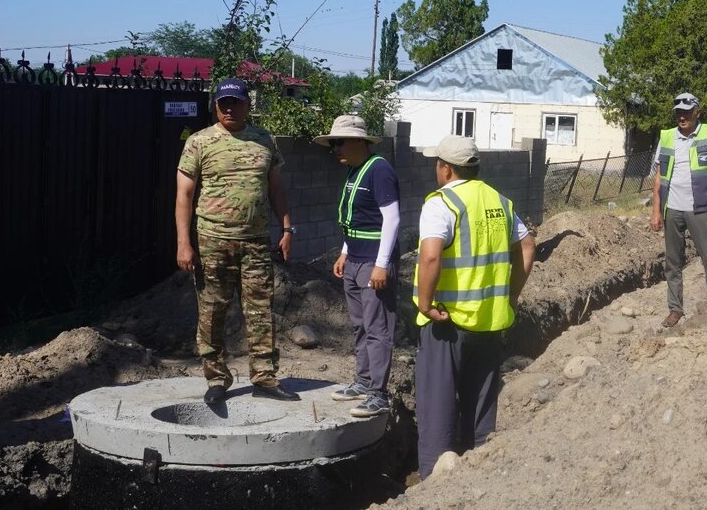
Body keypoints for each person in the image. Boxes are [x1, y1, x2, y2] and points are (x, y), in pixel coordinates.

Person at [413, 135, 536, 479]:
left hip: (445, 323)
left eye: (437, 164)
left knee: (437, 414)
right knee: (481, 412)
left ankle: (433, 489)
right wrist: (510, 297)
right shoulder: (500, 202)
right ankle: (477, 479)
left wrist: (425, 303)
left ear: (446, 169)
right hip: (490, 322)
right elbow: (527, 247)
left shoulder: (442, 203)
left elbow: (431, 255)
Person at [175, 78, 298, 405]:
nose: (230, 108)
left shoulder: (264, 140)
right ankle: (216, 379)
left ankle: (264, 377)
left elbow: (276, 189)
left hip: (256, 242)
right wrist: (183, 243)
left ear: (247, 105)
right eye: (223, 103)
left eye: (236, 102)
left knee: (261, 312)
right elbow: (184, 194)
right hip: (213, 241)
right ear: (215, 105)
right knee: (212, 312)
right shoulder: (199, 142)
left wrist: (287, 229)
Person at [314, 115, 402, 418]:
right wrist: (344, 252)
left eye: (339, 142)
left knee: (378, 329)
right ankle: (363, 382)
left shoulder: (379, 170)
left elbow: (391, 219)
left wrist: (381, 265)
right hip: (355, 260)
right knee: (360, 325)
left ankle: (378, 394)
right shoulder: (355, 171)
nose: (335, 148)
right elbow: (356, 219)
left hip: (373, 264)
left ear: (357, 141)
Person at [649, 92, 707, 327]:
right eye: (678, 112)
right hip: (672, 207)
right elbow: (659, 176)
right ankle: (675, 309)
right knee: (672, 262)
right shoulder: (666, 137)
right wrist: (656, 211)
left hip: (702, 208)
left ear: (697, 112)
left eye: (686, 112)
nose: (682, 116)